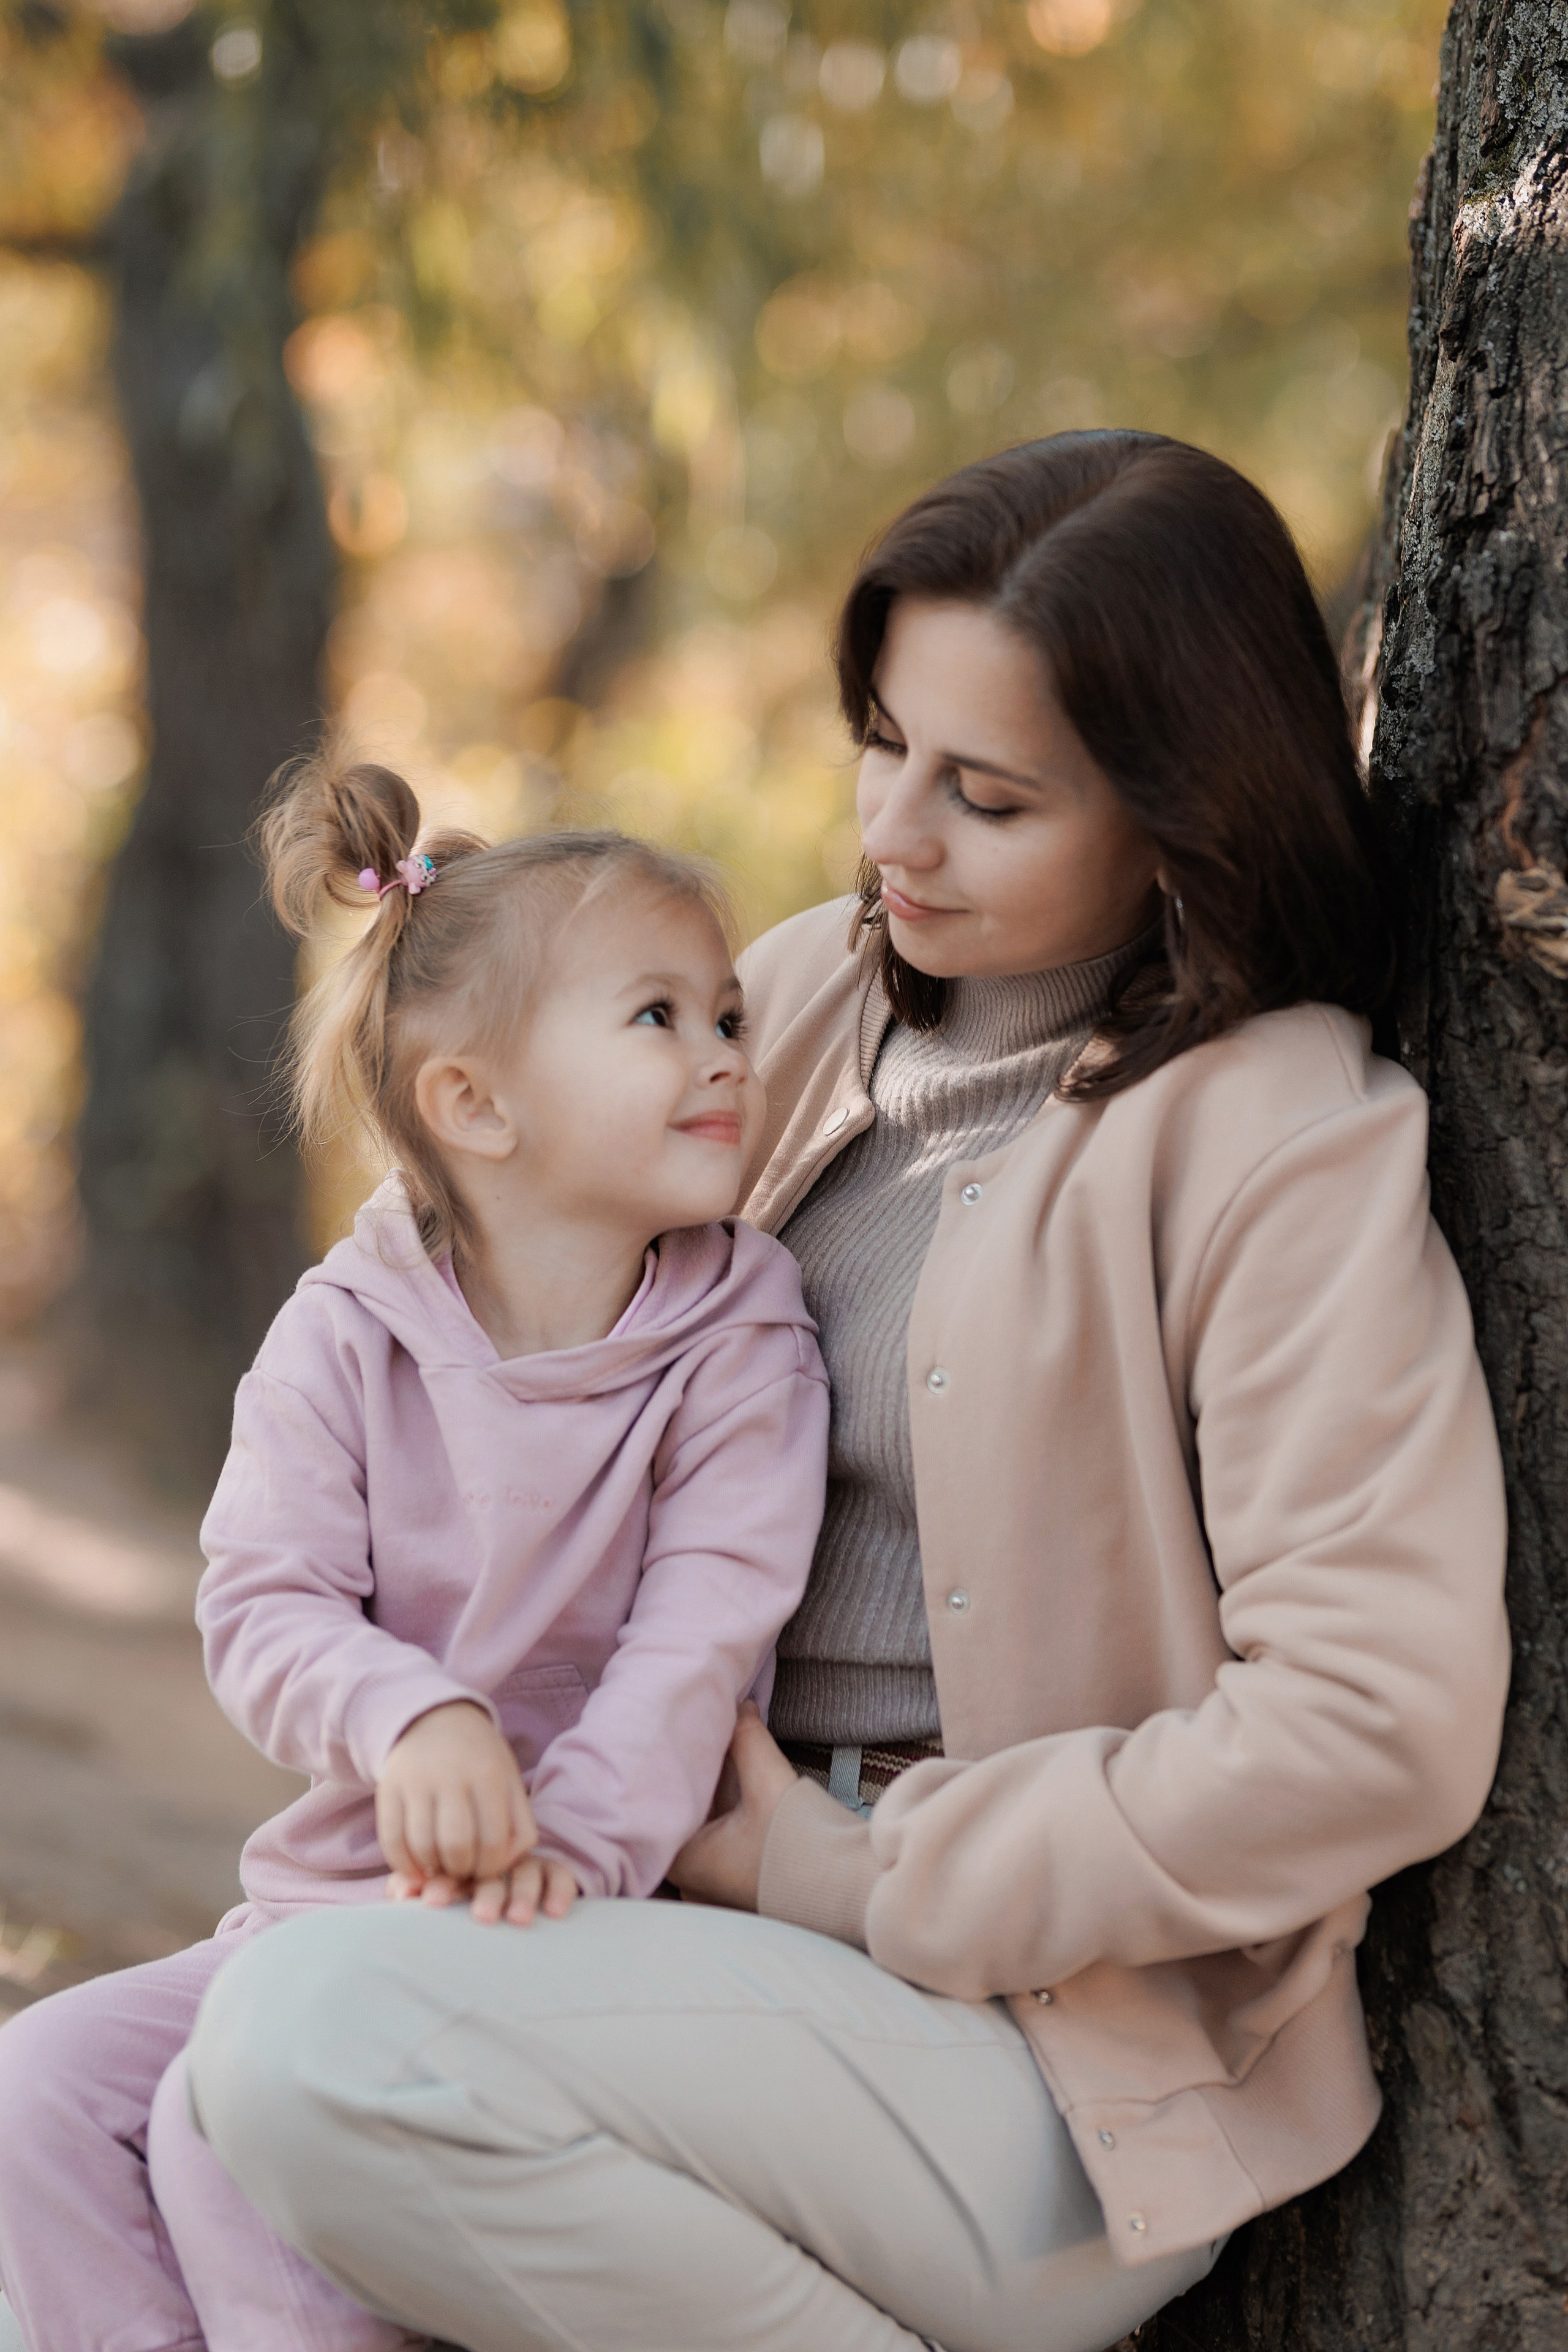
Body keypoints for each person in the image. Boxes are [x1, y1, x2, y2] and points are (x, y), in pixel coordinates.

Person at [176, 430, 1506, 2352]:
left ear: (1177, 809)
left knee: (312, 2044)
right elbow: (458, 1271)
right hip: (654, 1930)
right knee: (87, 2126)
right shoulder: (788, 1002)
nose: (893, 831)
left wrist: (867, 1872)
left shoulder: (1282, 1139)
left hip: (1045, 2055)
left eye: (986, 794)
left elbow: (1377, 1727)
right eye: (882, 742)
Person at [0, 765, 829, 2352]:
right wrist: (410, 1714)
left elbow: (698, 1647)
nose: (726, 1054)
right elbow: (263, 1600)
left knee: (219, 2144)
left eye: (727, 1014)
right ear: (475, 1104)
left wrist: (558, 1855)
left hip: (598, 1916)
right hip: (336, 1915)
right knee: (40, 2094)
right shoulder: (346, 1331)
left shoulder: (739, 1340)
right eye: (657, 1017)